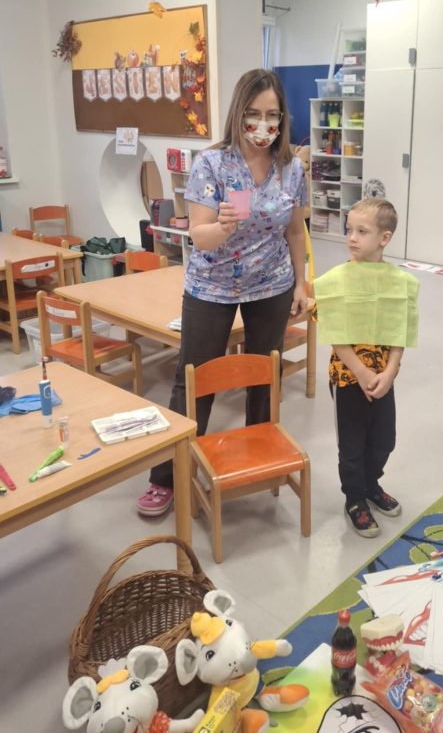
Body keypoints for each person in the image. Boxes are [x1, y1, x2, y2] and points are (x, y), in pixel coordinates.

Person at [137, 68, 308, 516]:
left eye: (272, 115)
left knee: (263, 373)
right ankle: (167, 477)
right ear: (238, 114)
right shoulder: (212, 164)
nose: (263, 124)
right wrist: (222, 226)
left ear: (282, 118)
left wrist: (301, 281)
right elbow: (199, 235)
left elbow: (295, 230)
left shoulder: (292, 167)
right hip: (212, 284)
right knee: (193, 378)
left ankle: (257, 458)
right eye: (253, 113)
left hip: (271, 283)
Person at [313, 198, 419, 537]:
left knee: (384, 439)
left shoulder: (398, 283)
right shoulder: (337, 281)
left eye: (362, 231)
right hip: (348, 378)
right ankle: (355, 498)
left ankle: (371, 484)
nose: (351, 237)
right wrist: (361, 372)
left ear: (384, 238)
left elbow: (400, 330)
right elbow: (335, 334)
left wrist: (390, 371)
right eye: (349, 230)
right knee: (352, 445)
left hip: (383, 378)